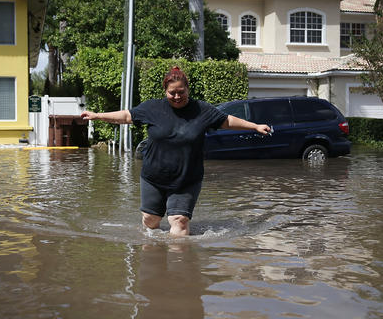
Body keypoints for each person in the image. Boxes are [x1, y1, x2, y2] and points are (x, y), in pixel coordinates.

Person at [80, 67, 270, 236]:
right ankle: (154, 261)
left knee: (179, 221)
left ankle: (179, 267)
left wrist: (254, 126)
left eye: (181, 92)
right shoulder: (152, 108)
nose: (177, 97)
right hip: (153, 177)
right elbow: (127, 115)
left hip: (187, 178)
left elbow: (227, 120)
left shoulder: (201, 110)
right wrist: (97, 115)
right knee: (150, 220)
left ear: (188, 88)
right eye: (172, 93)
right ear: (165, 91)